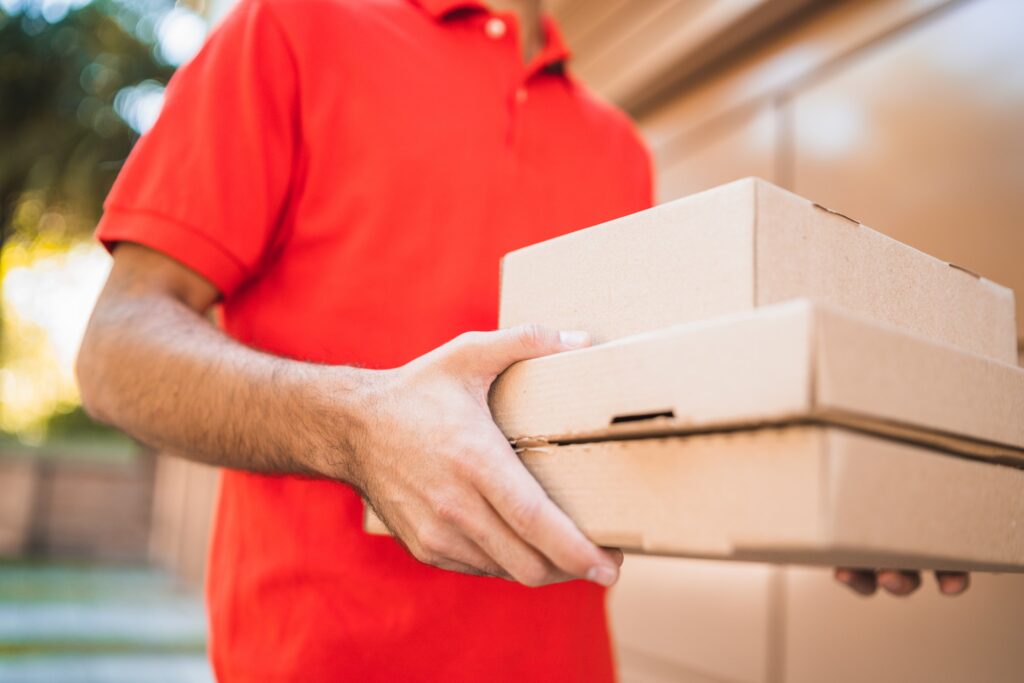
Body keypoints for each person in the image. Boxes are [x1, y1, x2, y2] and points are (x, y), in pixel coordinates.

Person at [76, 0, 967, 680]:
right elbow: (116, 350)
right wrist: (356, 426)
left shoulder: (618, 147)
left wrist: (832, 474)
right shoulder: (297, 27)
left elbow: (637, 420)